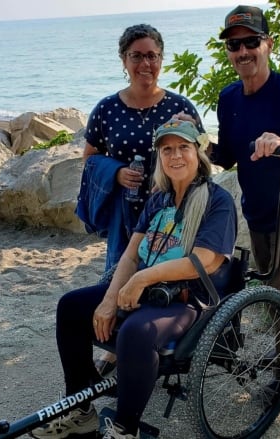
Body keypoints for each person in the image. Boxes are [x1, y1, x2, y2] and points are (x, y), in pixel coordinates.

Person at [32, 119, 237, 439]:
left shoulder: (216, 200)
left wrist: (142, 280)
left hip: (188, 299)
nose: (175, 156)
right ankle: (81, 409)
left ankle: (125, 430)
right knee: (71, 307)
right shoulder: (158, 200)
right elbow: (129, 255)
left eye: (183, 147)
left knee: (135, 333)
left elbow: (205, 260)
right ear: (160, 157)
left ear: (198, 152)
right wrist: (110, 299)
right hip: (144, 290)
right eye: (167, 149)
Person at [180, 5, 280, 373]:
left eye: (251, 42)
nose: (242, 51)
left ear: (268, 45)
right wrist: (192, 136)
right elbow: (226, 157)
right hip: (256, 213)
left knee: (276, 294)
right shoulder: (229, 99)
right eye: (234, 45)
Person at [75, 23, 204, 376]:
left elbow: (201, 158)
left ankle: (158, 339)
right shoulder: (106, 109)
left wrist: (190, 131)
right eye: (136, 56)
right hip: (127, 210)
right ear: (123, 60)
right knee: (120, 271)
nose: (145, 63)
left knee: (165, 275)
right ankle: (117, 347)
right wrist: (115, 173)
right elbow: (89, 157)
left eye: (152, 55)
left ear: (162, 59)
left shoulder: (180, 106)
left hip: (171, 212)